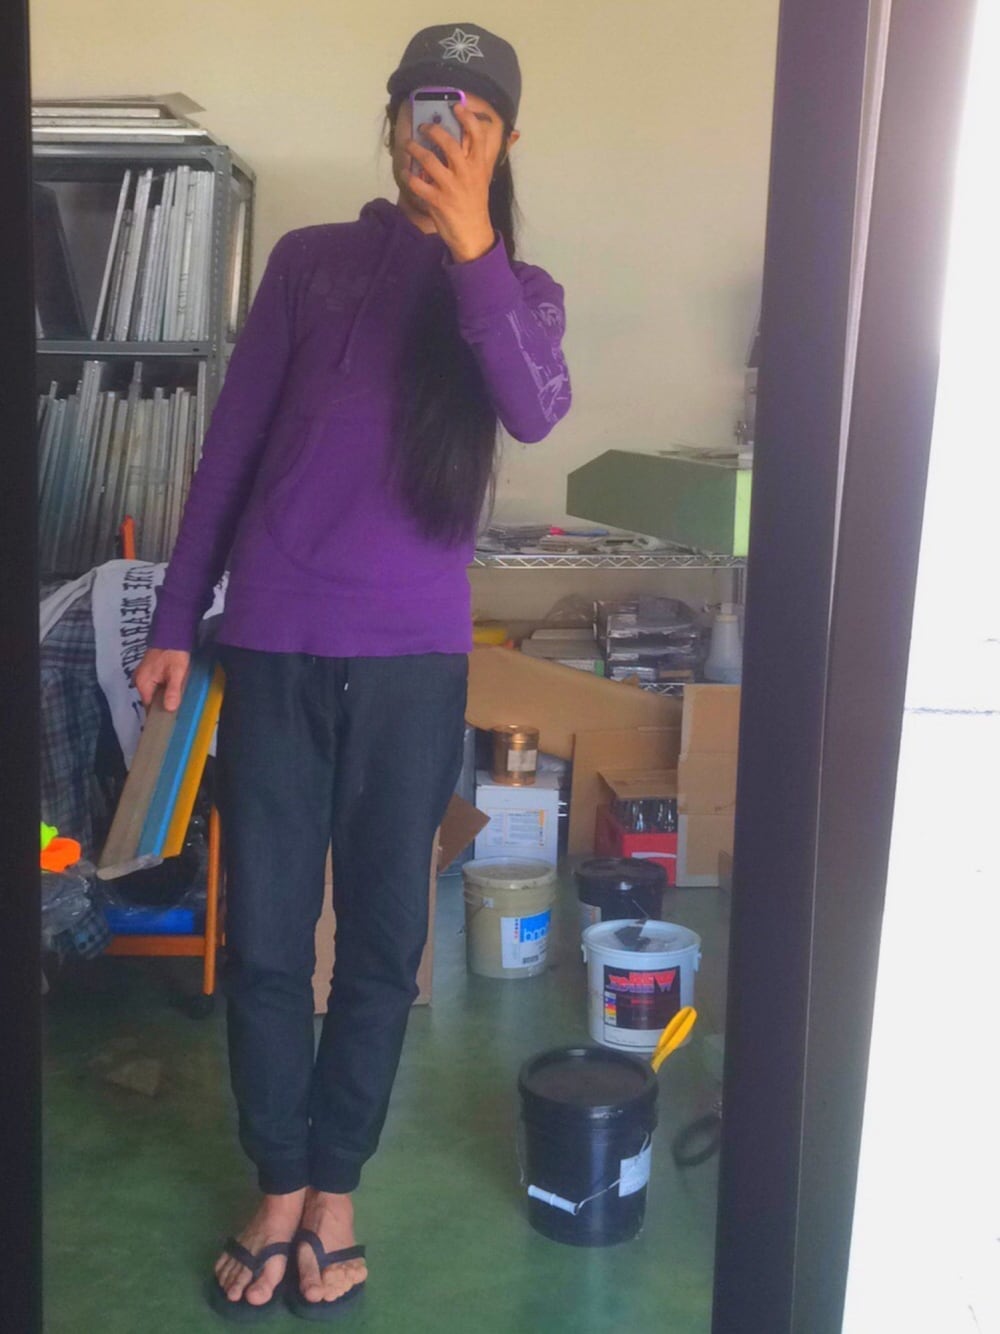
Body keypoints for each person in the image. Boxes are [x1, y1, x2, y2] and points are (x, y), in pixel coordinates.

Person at [134, 21, 571, 1322]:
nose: (441, 132)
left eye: (471, 117)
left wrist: (474, 245)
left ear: (503, 142)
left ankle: (336, 1189)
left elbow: (535, 406)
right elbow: (229, 446)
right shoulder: (309, 263)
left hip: (412, 663)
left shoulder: (519, 291)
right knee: (267, 939)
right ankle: (278, 1184)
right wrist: (174, 615)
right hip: (271, 644)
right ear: (389, 123)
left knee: (382, 945)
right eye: (424, 108)